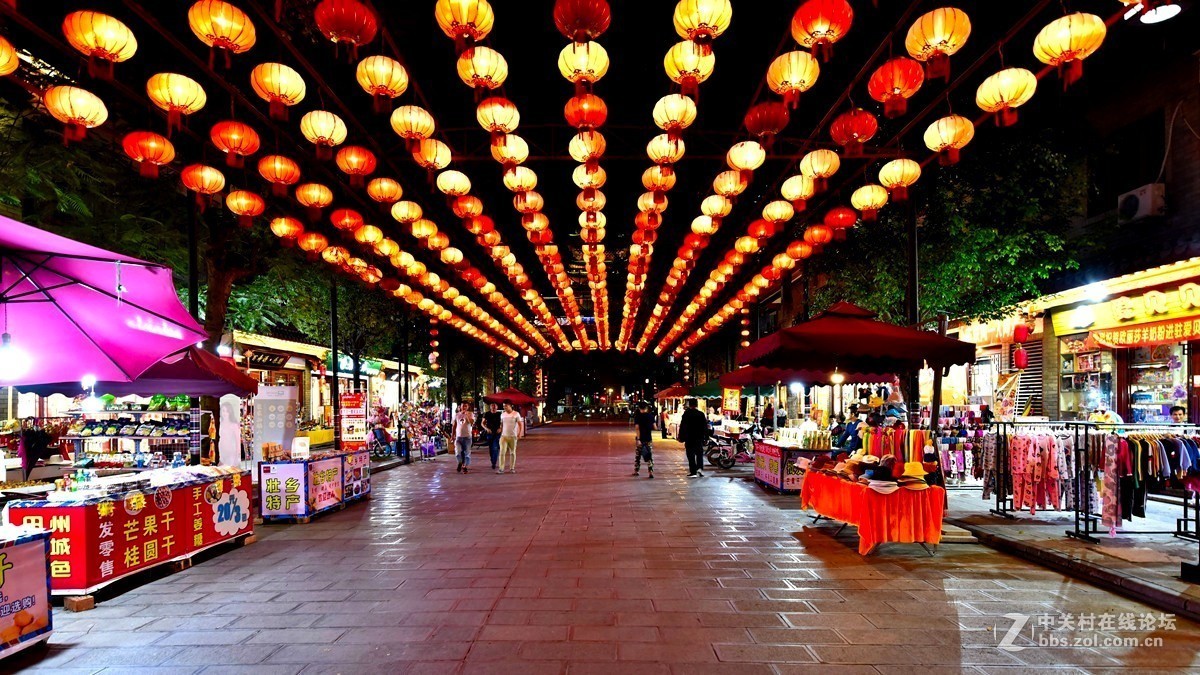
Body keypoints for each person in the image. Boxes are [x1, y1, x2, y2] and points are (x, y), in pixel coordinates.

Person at [678, 398, 709, 478]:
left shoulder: (686, 414)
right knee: (699, 454)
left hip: (689, 437)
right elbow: (705, 426)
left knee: (690, 455)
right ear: (696, 405)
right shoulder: (701, 414)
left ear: (689, 405)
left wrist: (681, 437)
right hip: (699, 437)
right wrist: (706, 437)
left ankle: (693, 471)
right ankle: (700, 469)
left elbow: (683, 426)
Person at [632, 401, 657, 479]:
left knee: (638, 455)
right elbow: (655, 427)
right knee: (649, 455)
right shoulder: (651, 416)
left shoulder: (637, 417)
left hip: (640, 439)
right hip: (648, 438)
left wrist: (638, 439)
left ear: (639, 408)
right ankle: (650, 472)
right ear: (646, 408)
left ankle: (636, 471)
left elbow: (637, 428)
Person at [498, 403, 524, 473]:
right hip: (504, 436)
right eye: (503, 406)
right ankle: (501, 468)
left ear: (510, 406)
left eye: (506, 406)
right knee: (502, 452)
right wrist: (500, 430)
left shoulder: (516, 414)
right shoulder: (502, 414)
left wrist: (519, 434)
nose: (504, 407)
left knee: (512, 452)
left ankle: (512, 468)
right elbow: (502, 424)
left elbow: (520, 424)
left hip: (513, 436)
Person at [453, 402, 474, 473]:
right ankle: (460, 462)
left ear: (467, 407)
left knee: (467, 453)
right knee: (458, 452)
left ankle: (465, 466)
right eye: (463, 406)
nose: (464, 407)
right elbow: (454, 425)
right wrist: (452, 435)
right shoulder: (457, 415)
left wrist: (466, 415)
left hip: (467, 437)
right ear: (460, 407)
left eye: (465, 406)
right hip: (458, 437)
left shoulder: (470, 414)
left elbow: (471, 423)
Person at [483, 402, 502, 470]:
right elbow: (482, 423)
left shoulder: (500, 414)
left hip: (497, 433)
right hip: (490, 433)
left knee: (495, 447)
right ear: (490, 407)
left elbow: (503, 423)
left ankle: (494, 462)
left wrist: (500, 428)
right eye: (492, 406)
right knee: (491, 448)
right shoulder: (487, 414)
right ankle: (492, 460)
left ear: (497, 407)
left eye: (495, 406)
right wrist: (486, 429)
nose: (493, 407)